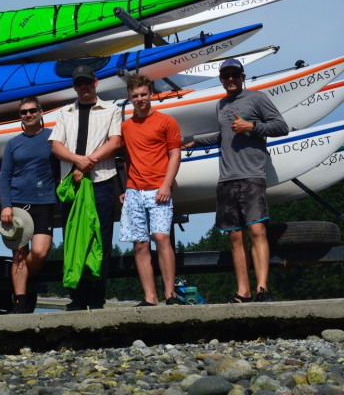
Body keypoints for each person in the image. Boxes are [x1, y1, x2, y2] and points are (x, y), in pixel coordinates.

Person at [188, 58, 288, 303]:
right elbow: (225, 134)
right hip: (226, 178)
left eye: (235, 75)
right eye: (226, 76)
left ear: (243, 77)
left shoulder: (257, 98)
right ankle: (243, 292)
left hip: (252, 176)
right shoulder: (220, 105)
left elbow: (281, 127)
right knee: (235, 236)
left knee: (256, 230)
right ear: (221, 80)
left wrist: (250, 126)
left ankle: (262, 289)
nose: (230, 79)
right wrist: (195, 141)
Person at [49, 65, 122, 311]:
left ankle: (97, 297)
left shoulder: (111, 109)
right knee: (73, 239)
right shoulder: (65, 113)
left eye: (87, 82)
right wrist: (76, 161)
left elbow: (115, 143)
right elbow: (56, 147)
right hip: (72, 185)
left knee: (100, 239)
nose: (84, 87)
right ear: (74, 86)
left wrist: (87, 161)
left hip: (101, 182)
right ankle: (78, 297)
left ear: (95, 83)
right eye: (79, 83)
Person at [118, 75, 183, 306]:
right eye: (135, 96)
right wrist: (126, 187)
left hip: (159, 188)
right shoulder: (125, 127)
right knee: (140, 243)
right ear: (129, 97)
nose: (140, 99)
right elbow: (127, 158)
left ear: (151, 94)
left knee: (161, 237)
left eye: (143, 94)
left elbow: (175, 154)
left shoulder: (166, 121)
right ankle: (150, 297)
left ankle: (170, 294)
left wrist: (166, 184)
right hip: (134, 190)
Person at [0, 97, 58, 314]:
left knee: (40, 252)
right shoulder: (13, 143)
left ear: (41, 112)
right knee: (19, 255)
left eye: (32, 110)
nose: (29, 115)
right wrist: (6, 206)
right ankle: (20, 302)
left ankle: (19, 276)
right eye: (24, 112)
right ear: (20, 116)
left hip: (44, 201)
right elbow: (4, 178)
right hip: (18, 204)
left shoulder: (53, 137)